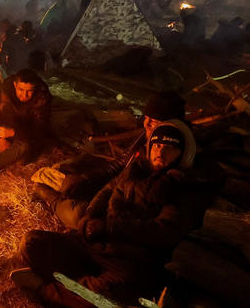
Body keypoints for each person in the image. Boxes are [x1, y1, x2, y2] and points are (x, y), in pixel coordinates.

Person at [12, 122, 199, 308]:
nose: (161, 151)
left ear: (181, 155)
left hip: (128, 260)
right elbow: (107, 190)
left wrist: (109, 228)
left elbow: (162, 231)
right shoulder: (136, 169)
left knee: (106, 294)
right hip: (96, 242)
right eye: (158, 145)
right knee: (32, 242)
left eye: (170, 148)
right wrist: (89, 215)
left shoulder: (180, 190)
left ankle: (46, 288)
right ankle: (76, 281)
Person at [34, 91, 187, 231]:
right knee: (71, 180)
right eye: (146, 118)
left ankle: (53, 200)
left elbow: (149, 212)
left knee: (78, 214)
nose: (146, 124)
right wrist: (86, 181)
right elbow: (119, 167)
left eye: (153, 121)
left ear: (172, 125)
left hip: (125, 213)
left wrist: (105, 222)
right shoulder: (147, 138)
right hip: (116, 193)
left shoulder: (177, 158)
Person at [0, 69, 52, 185]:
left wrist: (13, 133)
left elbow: (38, 131)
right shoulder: (5, 92)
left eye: (29, 91)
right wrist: (1, 140)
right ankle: (8, 155)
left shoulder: (42, 99)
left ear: (35, 89)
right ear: (15, 85)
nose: (25, 95)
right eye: (21, 90)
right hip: (4, 134)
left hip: (24, 138)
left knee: (25, 147)